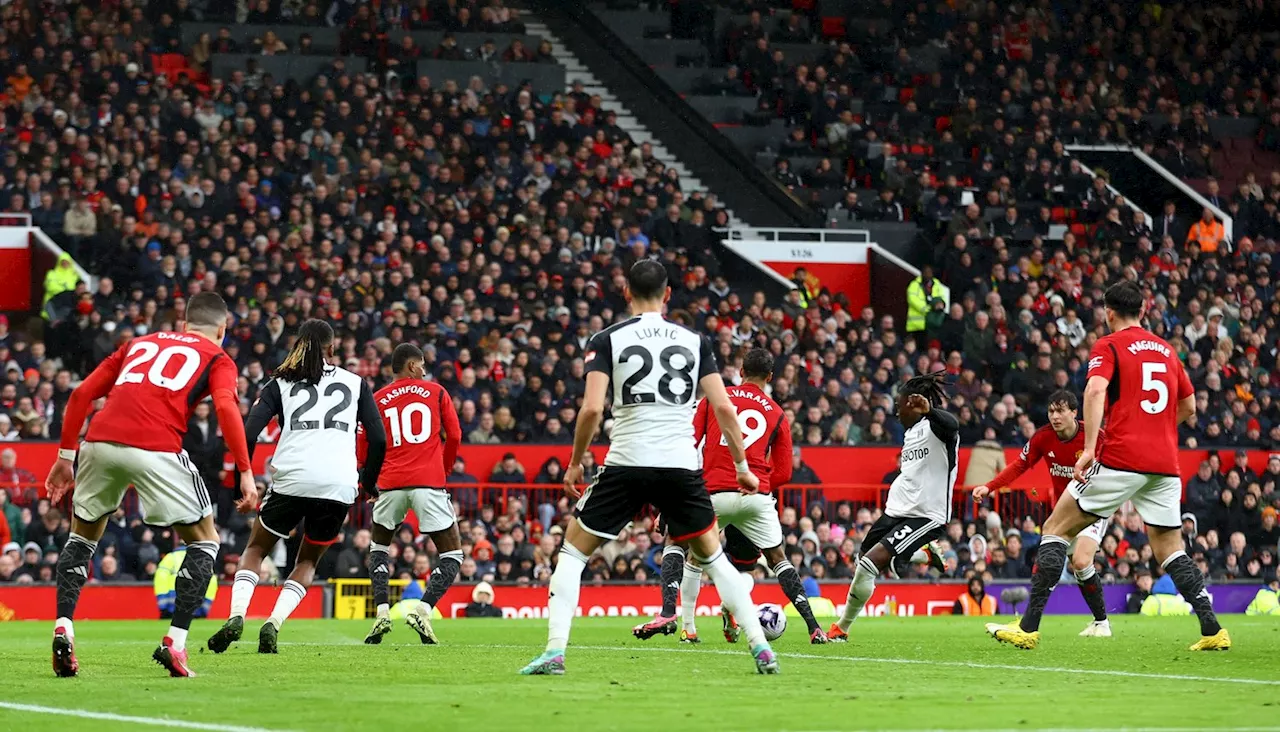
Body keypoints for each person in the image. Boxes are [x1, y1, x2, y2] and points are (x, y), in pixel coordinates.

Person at [519, 260, 778, 675]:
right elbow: (724, 407)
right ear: (669, 293)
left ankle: (554, 652)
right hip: (679, 465)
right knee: (715, 560)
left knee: (571, 554)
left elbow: (590, 410)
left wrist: (574, 464)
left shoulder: (607, 338)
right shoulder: (694, 341)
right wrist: (743, 465)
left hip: (627, 462)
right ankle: (760, 646)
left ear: (626, 292)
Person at [987, 281, 1229, 651]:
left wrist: (1087, 449)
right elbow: (1190, 408)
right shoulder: (1166, 350)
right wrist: (1154, 430)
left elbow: (1095, 390)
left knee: (1055, 527)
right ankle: (1213, 630)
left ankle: (1028, 627)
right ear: (1144, 311)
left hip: (1121, 457)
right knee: (1170, 549)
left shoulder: (1110, 344)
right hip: (1164, 463)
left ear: (1108, 313)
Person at [46, 292, 255, 678]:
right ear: (223, 330)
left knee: (82, 538)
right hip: (156, 448)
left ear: (183, 324)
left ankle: (64, 626)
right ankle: (175, 642)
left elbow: (80, 394)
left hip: (99, 442)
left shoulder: (138, 344)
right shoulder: (218, 357)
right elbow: (225, 406)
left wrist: (64, 456)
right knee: (206, 540)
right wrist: (244, 469)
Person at [207, 319, 385, 654]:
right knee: (307, 561)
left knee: (255, 550)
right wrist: (369, 482)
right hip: (338, 484)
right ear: (333, 348)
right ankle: (273, 623)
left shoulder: (280, 384)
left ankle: (236, 616)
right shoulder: (355, 383)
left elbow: (246, 433)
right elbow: (378, 438)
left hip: (292, 478)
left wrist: (238, 485)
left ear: (298, 345)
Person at [634, 348, 827, 644]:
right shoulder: (777, 412)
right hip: (756, 496)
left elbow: (690, 443)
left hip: (714, 492)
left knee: (680, 544)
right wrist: (757, 485)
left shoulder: (715, 397)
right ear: (770, 377)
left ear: (740, 371)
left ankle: (681, 621)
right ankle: (815, 628)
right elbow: (785, 473)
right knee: (778, 559)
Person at [972, 390, 1112, 637]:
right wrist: (989, 486)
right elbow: (1019, 465)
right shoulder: (1043, 437)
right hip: (1064, 510)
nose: (1055, 417)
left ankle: (1097, 623)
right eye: (1051, 411)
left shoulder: (1094, 437)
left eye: (1060, 411)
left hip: (1093, 507)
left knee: (1080, 560)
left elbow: (1117, 468)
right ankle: (1096, 623)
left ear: (1074, 412)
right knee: (1054, 558)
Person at [829, 372, 954, 641]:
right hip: (895, 512)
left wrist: (931, 410)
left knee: (870, 565)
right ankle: (922, 556)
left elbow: (953, 424)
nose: (896, 412)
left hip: (926, 516)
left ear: (914, 404)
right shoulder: (910, 433)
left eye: (899, 406)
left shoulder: (938, 428)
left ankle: (841, 628)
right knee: (862, 561)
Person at [360, 343, 463, 645]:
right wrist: (443, 469)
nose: (424, 369)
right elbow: (454, 435)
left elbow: (365, 441)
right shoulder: (436, 392)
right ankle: (423, 609)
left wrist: (369, 482)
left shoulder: (377, 398)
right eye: (421, 364)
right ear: (412, 366)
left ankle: (381, 613)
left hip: (389, 483)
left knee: (379, 549)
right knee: (453, 554)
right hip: (428, 483)